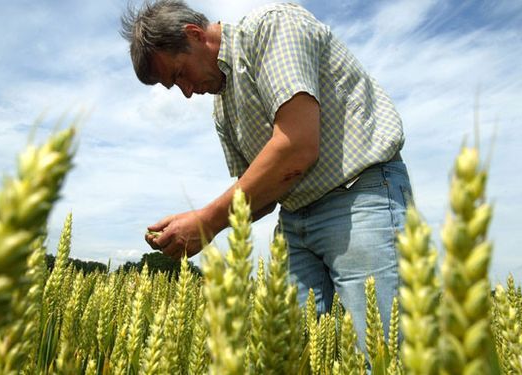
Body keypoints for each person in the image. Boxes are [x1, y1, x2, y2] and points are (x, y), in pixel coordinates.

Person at [121, 0, 413, 355]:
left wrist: (206, 223)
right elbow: (259, 197)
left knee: (382, 355)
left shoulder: (271, 27)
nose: (185, 92)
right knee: (286, 355)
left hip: (359, 198)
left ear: (195, 35)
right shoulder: (222, 108)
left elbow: (297, 148)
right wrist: (193, 220)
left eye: (179, 74)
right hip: (294, 221)